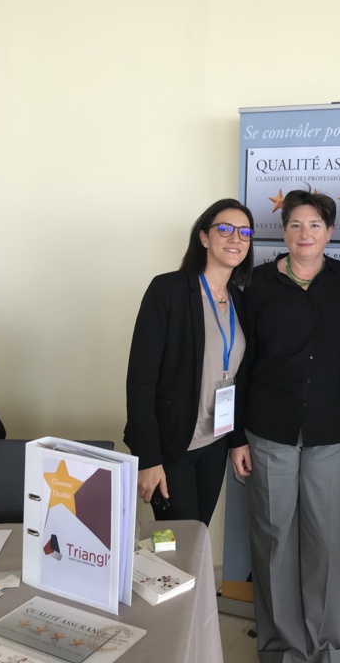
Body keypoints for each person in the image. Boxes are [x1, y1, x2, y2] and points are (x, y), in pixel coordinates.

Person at [230, 189, 340, 663]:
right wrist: (235, 438)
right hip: (269, 430)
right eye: (295, 224)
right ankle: (281, 649)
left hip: (334, 430)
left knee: (325, 546)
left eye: (314, 225)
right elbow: (242, 365)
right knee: (274, 542)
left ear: (330, 232)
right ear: (283, 231)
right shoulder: (257, 283)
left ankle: (324, 649)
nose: (304, 233)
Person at [124, 198, 254, 525]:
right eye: (225, 229)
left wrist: (236, 440)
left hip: (216, 442)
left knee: (197, 536)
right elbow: (140, 379)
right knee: (176, 543)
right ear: (204, 237)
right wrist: (148, 458)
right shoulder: (168, 290)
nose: (235, 238)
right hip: (172, 447)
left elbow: (237, 379)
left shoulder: (239, 299)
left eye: (244, 232)